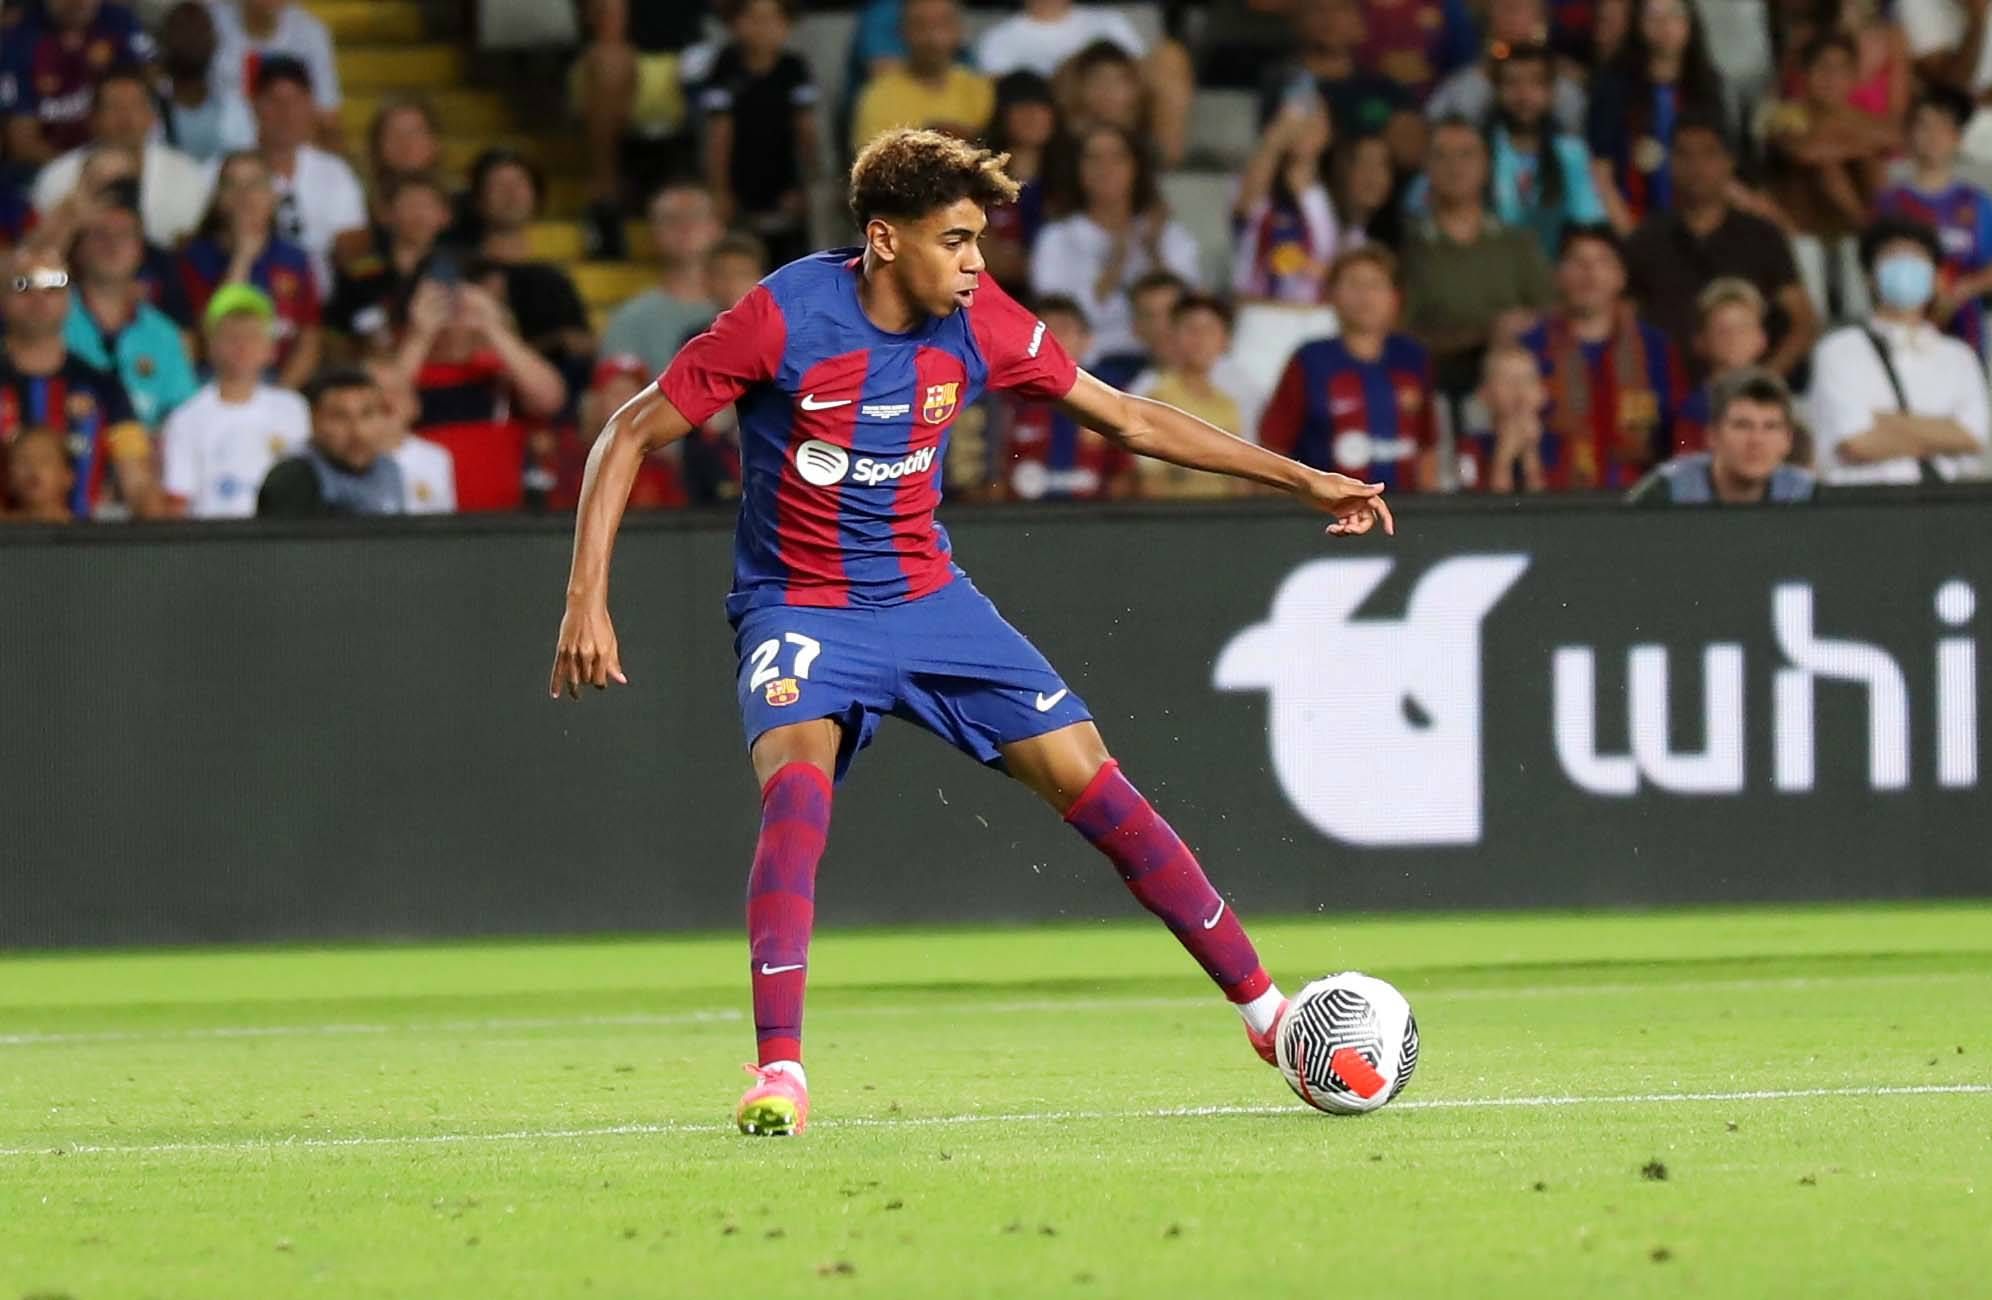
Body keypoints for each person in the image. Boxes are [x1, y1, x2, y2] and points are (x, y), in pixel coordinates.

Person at [545, 127, 1394, 1137]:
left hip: (932, 600)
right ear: (884, 239)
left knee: (1095, 780)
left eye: (980, 239)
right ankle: (780, 1071)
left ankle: (1268, 1014)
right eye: (956, 240)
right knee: (798, 795)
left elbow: (1122, 416)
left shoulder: (982, 319)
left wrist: (1301, 479)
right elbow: (629, 429)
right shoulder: (781, 317)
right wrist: (585, 596)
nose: (977, 262)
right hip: (802, 604)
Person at [1623, 113, 1818, 382]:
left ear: (1729, 162)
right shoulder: (1645, 239)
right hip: (1665, 393)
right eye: (1684, 155)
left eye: (1708, 154)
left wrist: (1765, 381)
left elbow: (1804, 321)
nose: (1696, 166)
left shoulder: (1762, 236)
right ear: (1670, 165)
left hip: (1746, 397)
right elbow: (1622, 323)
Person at [1807, 216, 1990, 483]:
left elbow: (1973, 437)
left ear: (1937, 278)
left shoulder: (1961, 356)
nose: (1906, 267)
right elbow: (1855, 442)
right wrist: (1945, 434)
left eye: (1917, 257)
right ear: (1870, 277)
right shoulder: (1838, 350)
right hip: (1862, 504)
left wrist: (1883, 421)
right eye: (1892, 257)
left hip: (1946, 506)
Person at [1519, 223, 1689, 489]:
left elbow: (1679, 431)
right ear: (1557, 276)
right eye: (1577, 262)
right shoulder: (1529, 348)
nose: (1590, 272)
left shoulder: (1656, 348)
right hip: (1551, 498)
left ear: (1621, 277)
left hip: (1639, 498)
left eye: (1602, 261)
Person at [1400, 119, 1554, 407]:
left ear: (1487, 165)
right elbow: (1400, 336)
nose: (1455, 166)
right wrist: (1483, 334)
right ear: (1427, 168)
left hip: (1515, 389)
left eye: (1466, 154)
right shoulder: (1409, 249)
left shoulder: (1518, 244)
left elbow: (1551, 313)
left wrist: (1524, 327)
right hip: (1438, 391)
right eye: (1441, 156)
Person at [386, 269, 568, 512]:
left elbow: (550, 399)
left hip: (500, 515)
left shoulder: (501, 370)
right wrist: (420, 334)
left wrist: (493, 327)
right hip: (423, 515)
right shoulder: (408, 367)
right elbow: (383, 406)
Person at [1262, 246, 1439, 490]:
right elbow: (1274, 446)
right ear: (1332, 295)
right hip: (1324, 516)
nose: (1365, 296)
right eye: (1354, 285)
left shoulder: (1413, 358)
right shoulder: (1309, 360)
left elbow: (1427, 446)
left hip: (1402, 514)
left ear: (1395, 297)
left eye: (1375, 285)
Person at [0, 244, 156, 518]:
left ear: (69, 299)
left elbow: (139, 484)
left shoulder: (103, 386)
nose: (38, 297)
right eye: (22, 285)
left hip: (83, 552)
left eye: (53, 286)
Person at [1029, 124, 1201, 364]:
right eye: (1094, 159)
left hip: (1162, 362)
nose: (1105, 169)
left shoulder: (1168, 235)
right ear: (1077, 169)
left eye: (1118, 158)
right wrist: (1115, 265)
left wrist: (1154, 253)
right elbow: (1055, 319)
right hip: (1089, 365)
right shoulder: (1056, 238)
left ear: (1137, 168)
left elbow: (1190, 310)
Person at [1764, 33, 1898, 313]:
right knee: (1828, 168)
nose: (1830, 77)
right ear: (1805, 75)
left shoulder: (1861, 117)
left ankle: (1872, 236)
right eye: (1821, 67)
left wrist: (1839, 143)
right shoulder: (1786, 114)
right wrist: (1852, 144)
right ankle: (1870, 230)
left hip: (1848, 235)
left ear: (1853, 78)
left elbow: (1893, 138)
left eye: (1840, 69)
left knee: (1871, 166)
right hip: (1801, 232)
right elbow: (1804, 152)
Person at [974, 0, 1193, 166]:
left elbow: (1135, 76)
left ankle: (1166, 158)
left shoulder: (1109, 21)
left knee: (1170, 56)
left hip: (1122, 114)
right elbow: (1009, 100)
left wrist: (1106, 84)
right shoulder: (999, 39)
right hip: (1060, 123)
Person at [571, 0, 710, 259]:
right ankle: (606, 199)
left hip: (697, 53)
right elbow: (608, 27)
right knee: (609, 61)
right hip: (631, 60)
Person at [158, 283, 311, 518]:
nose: (242, 346)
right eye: (230, 336)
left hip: (285, 538)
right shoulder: (186, 417)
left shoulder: (294, 408)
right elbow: (177, 501)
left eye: (252, 336)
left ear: (271, 349)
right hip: (213, 541)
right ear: (210, 346)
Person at [178, 150, 322, 389]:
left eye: (255, 184)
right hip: (215, 382)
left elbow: (309, 341)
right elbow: (208, 336)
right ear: (220, 199)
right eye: (233, 185)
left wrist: (278, 397)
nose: (245, 196)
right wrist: (242, 258)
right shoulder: (195, 258)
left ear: (273, 196)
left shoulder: (295, 260)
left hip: (280, 381)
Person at [697, 0, 820, 271]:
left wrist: (804, 187)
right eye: (752, 19)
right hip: (738, 185)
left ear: (787, 25)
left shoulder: (794, 68)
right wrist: (720, 190)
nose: (762, 28)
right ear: (735, 24)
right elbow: (719, 133)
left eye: (771, 20)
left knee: (789, 266)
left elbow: (806, 132)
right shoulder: (724, 67)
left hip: (784, 185)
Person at [29, 69, 215, 247]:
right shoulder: (57, 177)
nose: (126, 118)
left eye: (135, 105)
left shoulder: (186, 173)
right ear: (93, 119)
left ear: (152, 117)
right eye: (114, 107)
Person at [1586, 0, 1728, 233]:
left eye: (1674, 16)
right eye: (1654, 17)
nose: (1665, 26)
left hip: (1696, 225)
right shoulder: (1613, 86)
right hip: (1629, 222)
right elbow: (1600, 170)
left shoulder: (1707, 85)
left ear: (1690, 23)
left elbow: (1720, 167)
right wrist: (1632, 238)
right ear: (1638, 25)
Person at [62, 193, 200, 430]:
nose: (112, 244)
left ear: (140, 250)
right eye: (99, 234)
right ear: (78, 248)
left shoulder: (165, 334)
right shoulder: (51, 317)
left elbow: (183, 417)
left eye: (124, 235)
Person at [980, 293, 1134, 501]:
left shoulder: (1110, 396)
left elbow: (1124, 477)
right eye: (1045, 331)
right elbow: (989, 478)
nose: (1055, 340)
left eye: (1064, 329)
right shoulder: (1003, 398)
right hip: (1019, 521)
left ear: (1087, 340)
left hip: (1096, 520)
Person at [1875, 87, 1992, 357]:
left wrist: (1962, 289)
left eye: (1944, 128)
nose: (1933, 137)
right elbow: (1875, 265)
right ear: (1910, 135)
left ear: (1958, 138)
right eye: (1925, 126)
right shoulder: (1890, 203)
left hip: (1963, 326)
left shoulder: (1976, 203)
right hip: (1902, 325)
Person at [467, 149, 594, 370]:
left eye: (519, 184)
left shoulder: (555, 281)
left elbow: (584, 344)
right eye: (498, 185)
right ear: (479, 198)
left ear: (536, 195)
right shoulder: (465, 276)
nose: (511, 194)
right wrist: (554, 343)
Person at [252, 56, 367, 293]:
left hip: (324, 303)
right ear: (255, 105)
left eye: (296, 100)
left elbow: (353, 244)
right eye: (274, 101)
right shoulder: (226, 170)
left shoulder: (335, 172)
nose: (286, 113)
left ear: (310, 105)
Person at [1256, 0, 1416, 164]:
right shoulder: (1281, 82)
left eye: (1341, 9)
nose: (1330, 19)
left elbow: (1412, 155)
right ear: (1300, 19)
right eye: (1318, 9)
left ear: (1359, 21)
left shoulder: (1386, 89)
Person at [1231, 96, 1355, 304]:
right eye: (1300, 119)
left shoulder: (1337, 195)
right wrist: (1277, 138)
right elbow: (1246, 206)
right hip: (1261, 309)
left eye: (1315, 118)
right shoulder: (1257, 185)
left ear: (1330, 131)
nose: (1304, 127)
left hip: (1318, 313)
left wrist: (1326, 272)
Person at [1628, 368, 1817, 503]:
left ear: (1788, 440)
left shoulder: (1806, 495)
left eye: (1770, 427)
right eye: (1742, 426)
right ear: (1712, 436)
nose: (1756, 440)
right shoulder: (1667, 491)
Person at [0, 0, 154, 167]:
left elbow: (153, 78)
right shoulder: (19, 36)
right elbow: (22, 143)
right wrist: (82, 171)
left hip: (118, 160)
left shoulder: (118, 19)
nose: (77, 2)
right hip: (43, 171)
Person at [1132, 294, 1257, 496]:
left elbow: (1242, 479)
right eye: (1190, 329)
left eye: (1209, 330)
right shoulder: (1154, 397)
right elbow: (1149, 480)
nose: (1200, 339)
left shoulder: (1229, 404)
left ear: (1225, 340)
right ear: (1172, 337)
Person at [326, 171, 457, 353]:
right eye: (410, 205)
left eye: (428, 205)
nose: (419, 215)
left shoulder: (458, 270)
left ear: (445, 216)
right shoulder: (360, 269)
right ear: (386, 214)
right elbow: (340, 327)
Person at [600, 182, 722, 377]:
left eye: (696, 216)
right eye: (672, 219)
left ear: (716, 228)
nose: (685, 227)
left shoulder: (747, 309)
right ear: (654, 232)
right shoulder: (629, 319)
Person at [850, 0, 992, 155]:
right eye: (920, 26)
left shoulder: (980, 89)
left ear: (959, 29)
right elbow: (870, 168)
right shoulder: (878, 96)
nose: (933, 37)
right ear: (903, 32)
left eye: (943, 24)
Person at [258, 368, 405, 517]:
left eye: (367, 414)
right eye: (340, 417)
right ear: (314, 421)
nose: (357, 431)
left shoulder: (389, 471)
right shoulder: (293, 479)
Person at [1425, 0, 1587, 132]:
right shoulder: (1463, 88)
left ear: (1541, 17)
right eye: (1503, 6)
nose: (1510, 14)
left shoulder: (1565, 88)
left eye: (1520, 6)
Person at [207, 0, 344, 149]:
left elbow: (327, 118)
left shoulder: (311, 33)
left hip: (286, 151)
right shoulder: (209, 23)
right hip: (218, 148)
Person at [1673, 277, 1777, 449]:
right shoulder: (1693, 410)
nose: (1733, 338)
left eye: (1743, 328)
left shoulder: (1779, 402)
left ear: (1761, 339)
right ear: (1700, 341)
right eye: (1722, 330)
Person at [977, 71, 1057, 290]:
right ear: (1002, 115)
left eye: (1041, 107)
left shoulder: (1070, 180)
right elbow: (989, 260)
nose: (1032, 116)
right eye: (1021, 107)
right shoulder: (979, 182)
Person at [157, 1, 258, 163]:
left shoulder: (236, 108)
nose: (191, 40)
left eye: (199, 31)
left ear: (215, 41)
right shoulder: (148, 108)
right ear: (163, 42)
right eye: (182, 31)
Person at [364, 356, 455, 514]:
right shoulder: (348, 456)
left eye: (397, 391)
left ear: (415, 404)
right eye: (377, 390)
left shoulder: (436, 458)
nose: (387, 399)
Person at [1456, 342, 1550, 491]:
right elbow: (1478, 505)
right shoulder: (1469, 448)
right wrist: (1502, 461)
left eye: (1528, 379)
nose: (1519, 389)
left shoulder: (1564, 447)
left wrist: (1531, 453)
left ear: (1542, 393)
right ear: (1484, 394)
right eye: (1507, 381)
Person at [363, 97, 444, 229]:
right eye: (394, 134)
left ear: (435, 143)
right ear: (376, 145)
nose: (406, 144)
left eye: (415, 133)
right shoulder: (354, 204)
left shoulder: (462, 207)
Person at [3, 428, 77, 522]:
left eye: (44, 459)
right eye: (23, 460)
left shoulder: (91, 533)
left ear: (68, 476)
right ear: (10, 477)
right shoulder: (5, 530)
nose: (34, 467)